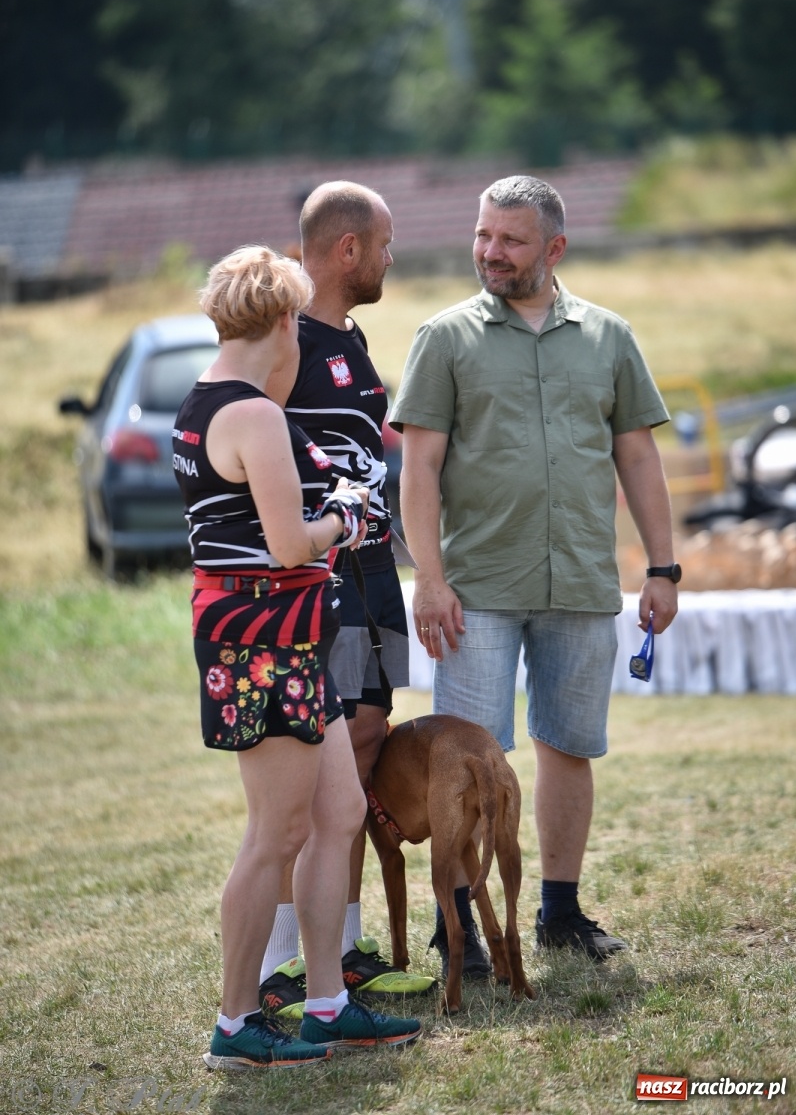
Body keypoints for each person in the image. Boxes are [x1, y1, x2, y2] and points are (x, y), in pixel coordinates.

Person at [390, 175, 679, 966]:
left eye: (509, 240)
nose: (489, 251)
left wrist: (662, 567)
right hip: (474, 590)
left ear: (553, 248)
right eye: (483, 235)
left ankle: (558, 911)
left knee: (570, 747)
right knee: (470, 763)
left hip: (581, 581)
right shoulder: (442, 338)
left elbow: (637, 455)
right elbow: (417, 470)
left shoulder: (609, 336)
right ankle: (460, 930)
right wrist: (430, 577)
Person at [173, 244, 421, 1070]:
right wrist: (345, 519)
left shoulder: (204, 402)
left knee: (337, 815)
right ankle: (236, 1025)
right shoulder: (253, 414)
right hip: (264, 643)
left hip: (286, 638)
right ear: (284, 320)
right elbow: (287, 545)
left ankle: (325, 1005)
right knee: (273, 834)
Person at [257, 182, 436, 1017]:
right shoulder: (281, 336)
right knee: (310, 773)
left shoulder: (353, 335)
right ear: (347, 250)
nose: (392, 259)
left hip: (373, 576)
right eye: (386, 244)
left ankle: (345, 947)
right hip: (319, 581)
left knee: (365, 742)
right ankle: (283, 964)